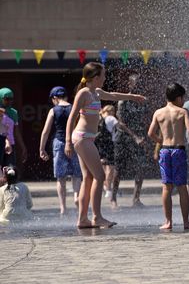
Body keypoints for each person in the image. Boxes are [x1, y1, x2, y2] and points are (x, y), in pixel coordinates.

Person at [66, 62, 146, 229]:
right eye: (103, 75)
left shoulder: (96, 92)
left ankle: (82, 219)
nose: (105, 78)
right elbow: (71, 117)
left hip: (87, 138)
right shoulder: (84, 93)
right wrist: (67, 142)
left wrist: (132, 97)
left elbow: (113, 96)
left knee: (88, 178)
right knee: (100, 176)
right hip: (82, 138)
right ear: (95, 78)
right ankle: (97, 217)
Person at [148, 83, 189, 230]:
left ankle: (168, 222)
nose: (183, 101)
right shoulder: (182, 112)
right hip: (178, 151)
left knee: (166, 187)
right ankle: (186, 222)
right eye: (182, 97)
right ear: (178, 97)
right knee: (182, 187)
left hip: (165, 151)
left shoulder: (158, 113)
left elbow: (150, 133)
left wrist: (161, 141)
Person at [39, 86, 82, 215]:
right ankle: (76, 197)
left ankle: (63, 207)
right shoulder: (74, 108)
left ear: (55, 98)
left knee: (60, 177)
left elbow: (46, 131)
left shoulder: (53, 110)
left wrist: (42, 149)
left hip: (59, 143)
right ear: (66, 97)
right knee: (77, 175)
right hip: (74, 142)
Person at [114, 74, 149, 208]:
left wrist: (145, 135)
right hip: (123, 138)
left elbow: (145, 119)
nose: (139, 86)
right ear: (130, 85)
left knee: (141, 167)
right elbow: (121, 123)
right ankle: (113, 198)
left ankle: (136, 199)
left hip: (139, 138)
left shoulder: (143, 101)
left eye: (141, 84)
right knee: (119, 169)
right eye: (136, 83)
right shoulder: (123, 101)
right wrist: (135, 137)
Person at [94, 105, 118, 202]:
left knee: (103, 167)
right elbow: (120, 126)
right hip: (109, 145)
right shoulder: (111, 118)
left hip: (100, 146)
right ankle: (108, 189)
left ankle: (105, 186)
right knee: (110, 168)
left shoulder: (99, 118)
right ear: (111, 111)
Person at [0, 88, 27, 164]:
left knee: (11, 172)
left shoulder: (14, 112)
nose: (9, 101)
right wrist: (5, 141)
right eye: (7, 99)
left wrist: (23, 147)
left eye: (11, 99)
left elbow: (16, 132)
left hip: (11, 145)